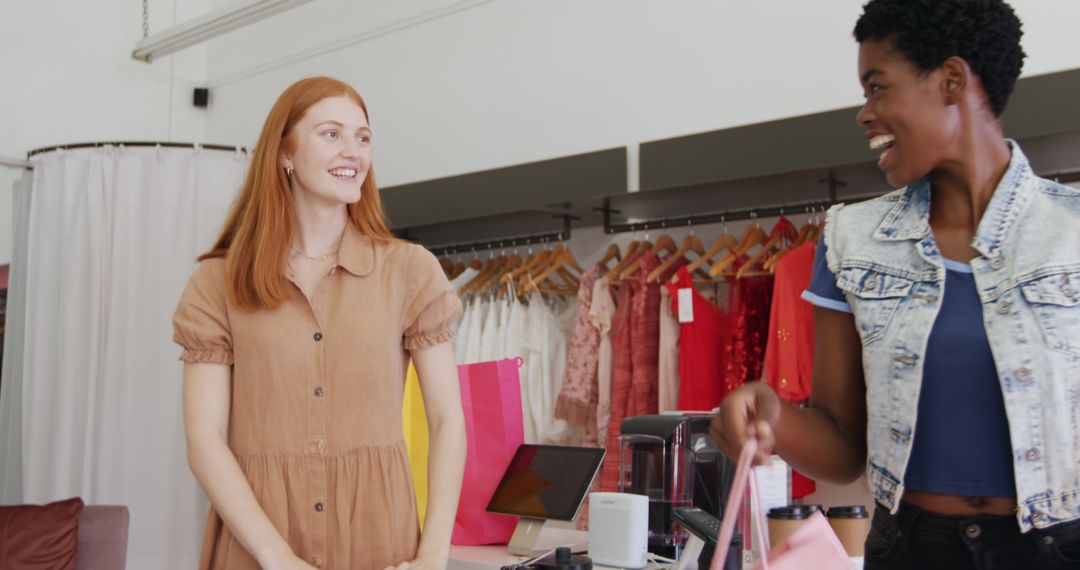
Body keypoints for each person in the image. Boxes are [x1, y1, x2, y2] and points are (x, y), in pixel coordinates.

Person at [710, 1, 1080, 568]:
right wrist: (771, 415)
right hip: (911, 548)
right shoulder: (851, 237)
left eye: (877, 88)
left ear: (952, 80)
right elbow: (841, 446)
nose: (864, 114)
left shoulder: (1072, 228)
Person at [173, 76, 466, 570]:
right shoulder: (217, 282)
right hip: (256, 542)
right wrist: (275, 556)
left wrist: (434, 552)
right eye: (331, 134)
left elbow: (447, 421)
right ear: (285, 153)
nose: (352, 149)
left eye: (363, 137)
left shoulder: (409, 270)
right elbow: (205, 439)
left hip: (380, 539)